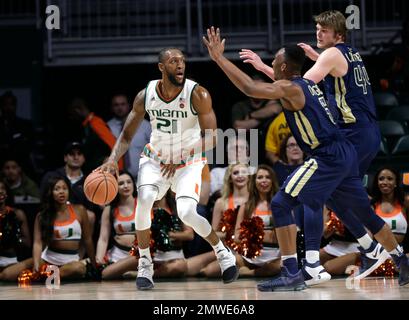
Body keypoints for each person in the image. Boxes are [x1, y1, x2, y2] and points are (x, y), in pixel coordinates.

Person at [203, 27, 409, 291]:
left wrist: (219, 58)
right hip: (344, 152)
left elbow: (250, 88)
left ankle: (295, 269)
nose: (273, 67)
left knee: (280, 203)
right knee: (362, 212)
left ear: (285, 66)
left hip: (326, 156)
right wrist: (263, 66)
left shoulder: (290, 87)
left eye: (275, 64)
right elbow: (276, 82)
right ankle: (399, 258)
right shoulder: (307, 84)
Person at [99, 47, 238, 290]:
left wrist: (182, 153)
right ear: (162, 67)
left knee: (186, 212)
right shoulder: (146, 94)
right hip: (155, 159)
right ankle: (145, 263)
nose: (180, 65)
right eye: (174, 61)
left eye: (182, 61)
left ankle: (221, 251)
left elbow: (214, 137)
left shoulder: (198, 94)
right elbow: (127, 135)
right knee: (144, 201)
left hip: (188, 161)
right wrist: (112, 159)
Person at [322, 166, 408, 276]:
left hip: (398, 252)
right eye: (381, 179)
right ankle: (365, 267)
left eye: (390, 179)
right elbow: (368, 235)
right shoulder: (370, 204)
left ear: (396, 182)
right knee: (328, 267)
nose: (385, 182)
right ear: (377, 182)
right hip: (376, 253)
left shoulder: (405, 203)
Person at [187, 163, 249, 276]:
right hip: (226, 247)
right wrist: (231, 236)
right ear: (230, 177)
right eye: (235, 173)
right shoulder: (221, 202)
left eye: (244, 172)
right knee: (188, 266)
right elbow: (214, 232)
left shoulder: (253, 200)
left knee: (209, 270)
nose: (240, 175)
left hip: (248, 249)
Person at [32, 177, 97, 280]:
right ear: (50, 192)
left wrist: (94, 264)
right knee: (8, 274)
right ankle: (46, 274)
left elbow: (88, 240)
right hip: (47, 260)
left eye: (64, 188)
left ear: (69, 191)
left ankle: (47, 276)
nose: (61, 192)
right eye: (57, 189)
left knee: (79, 268)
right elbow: (37, 242)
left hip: (70, 263)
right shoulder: (42, 216)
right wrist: (36, 265)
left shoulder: (80, 210)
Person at [40, 142, 97, 237]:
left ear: (84, 158)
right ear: (65, 158)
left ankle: (81, 252)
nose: (76, 157)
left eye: (79, 154)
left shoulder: (89, 182)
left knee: (90, 216)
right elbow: (43, 200)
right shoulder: (52, 176)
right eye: (72, 154)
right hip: (54, 212)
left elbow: (90, 206)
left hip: (78, 217)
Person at [67, 98, 124, 173]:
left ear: (77, 110)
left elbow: (113, 145)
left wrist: (119, 169)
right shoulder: (86, 126)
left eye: (72, 114)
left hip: (110, 171)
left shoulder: (95, 123)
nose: (72, 118)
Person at [107, 93, 151, 179]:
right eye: (116, 105)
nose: (120, 107)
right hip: (118, 179)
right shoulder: (108, 127)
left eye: (123, 104)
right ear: (111, 107)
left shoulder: (145, 125)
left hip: (143, 176)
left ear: (129, 105)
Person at [0, 178, 32, 281]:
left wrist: (15, 237)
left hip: (12, 262)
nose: (0, 191)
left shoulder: (17, 214)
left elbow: (28, 242)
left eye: (3, 188)